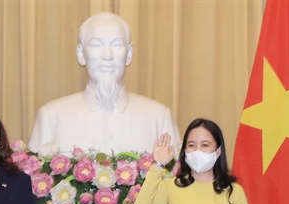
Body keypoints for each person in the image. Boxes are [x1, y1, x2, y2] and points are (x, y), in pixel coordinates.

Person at [28, 11, 179, 155]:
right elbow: (33, 177)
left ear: (129, 55)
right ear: (81, 54)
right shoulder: (51, 116)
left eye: (117, 45)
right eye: (96, 45)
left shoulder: (159, 117)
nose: (107, 56)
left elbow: (175, 177)